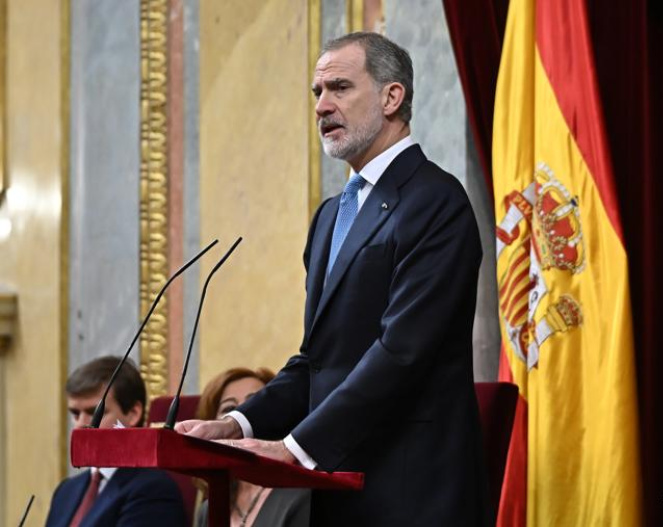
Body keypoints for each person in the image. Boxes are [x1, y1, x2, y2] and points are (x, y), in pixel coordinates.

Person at [177, 31, 490, 526]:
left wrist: (297, 446)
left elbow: (402, 352)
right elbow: (317, 359)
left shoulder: (437, 202)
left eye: (340, 88)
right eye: (317, 93)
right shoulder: (329, 217)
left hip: (413, 492)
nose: (322, 105)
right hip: (341, 492)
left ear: (392, 97)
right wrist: (240, 423)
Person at [46, 356, 186, 527]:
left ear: (133, 413)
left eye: (94, 413)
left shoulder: (154, 490)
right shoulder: (65, 492)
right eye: (76, 414)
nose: (81, 424)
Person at [193, 366, 312, 527]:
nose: (244, 415)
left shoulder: (301, 497)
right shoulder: (208, 510)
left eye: (254, 405)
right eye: (229, 409)